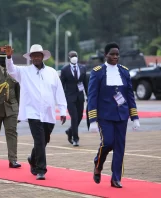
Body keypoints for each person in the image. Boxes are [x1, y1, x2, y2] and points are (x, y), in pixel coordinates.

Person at [5, 44, 67, 180]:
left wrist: (62, 110)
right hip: (33, 112)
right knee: (39, 140)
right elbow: (11, 70)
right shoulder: (24, 72)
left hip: (48, 113)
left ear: (43, 57)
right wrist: (9, 57)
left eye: (38, 55)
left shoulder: (52, 72)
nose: (36, 58)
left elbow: (59, 92)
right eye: (34, 56)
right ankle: (40, 170)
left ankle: (32, 158)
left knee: (44, 140)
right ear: (31, 58)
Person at [88, 42, 140, 188]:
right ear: (106, 55)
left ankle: (116, 178)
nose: (115, 57)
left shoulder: (124, 71)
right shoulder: (97, 72)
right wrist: (92, 120)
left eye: (117, 54)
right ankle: (98, 163)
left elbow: (130, 96)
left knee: (120, 147)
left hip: (122, 116)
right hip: (104, 116)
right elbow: (92, 96)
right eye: (112, 54)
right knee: (108, 142)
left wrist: (134, 117)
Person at [60, 51, 87, 146]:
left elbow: (85, 83)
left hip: (80, 96)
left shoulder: (83, 68)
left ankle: (70, 131)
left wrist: (88, 96)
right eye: (72, 56)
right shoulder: (65, 70)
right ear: (69, 58)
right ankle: (75, 138)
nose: (74, 57)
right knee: (74, 117)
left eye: (75, 55)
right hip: (69, 97)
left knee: (79, 117)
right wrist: (61, 98)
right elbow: (61, 85)